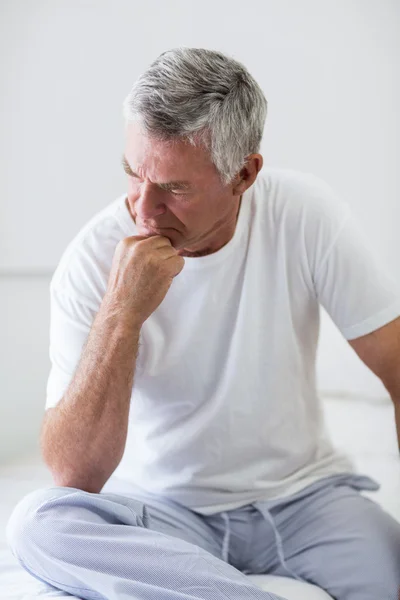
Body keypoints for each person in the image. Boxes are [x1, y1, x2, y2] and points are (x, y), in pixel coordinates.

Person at [6, 47, 400, 600]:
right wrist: (122, 312)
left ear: (244, 173)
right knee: (38, 525)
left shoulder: (306, 216)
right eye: (132, 174)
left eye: (174, 188)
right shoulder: (91, 260)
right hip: (163, 513)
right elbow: (75, 475)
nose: (144, 209)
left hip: (306, 501)